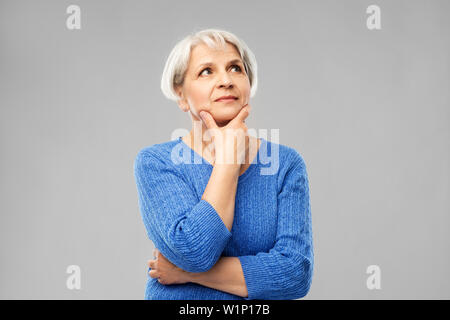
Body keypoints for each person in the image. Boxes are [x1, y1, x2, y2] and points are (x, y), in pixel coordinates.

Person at [133, 28, 313, 300]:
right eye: (207, 71)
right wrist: (228, 161)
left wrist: (185, 274)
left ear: (248, 84)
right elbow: (194, 251)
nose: (226, 80)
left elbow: (294, 274)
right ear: (181, 95)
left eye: (235, 68)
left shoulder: (285, 165)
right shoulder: (156, 163)